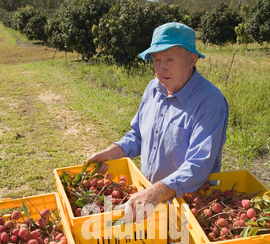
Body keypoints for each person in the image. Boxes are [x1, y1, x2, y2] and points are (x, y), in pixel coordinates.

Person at [87, 22, 229, 222]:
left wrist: (156, 192)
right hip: (150, 198)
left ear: (192, 59)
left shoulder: (210, 102)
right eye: (156, 60)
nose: (161, 68)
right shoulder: (154, 88)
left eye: (170, 59)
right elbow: (138, 135)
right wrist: (112, 151)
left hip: (188, 207)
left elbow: (199, 165)